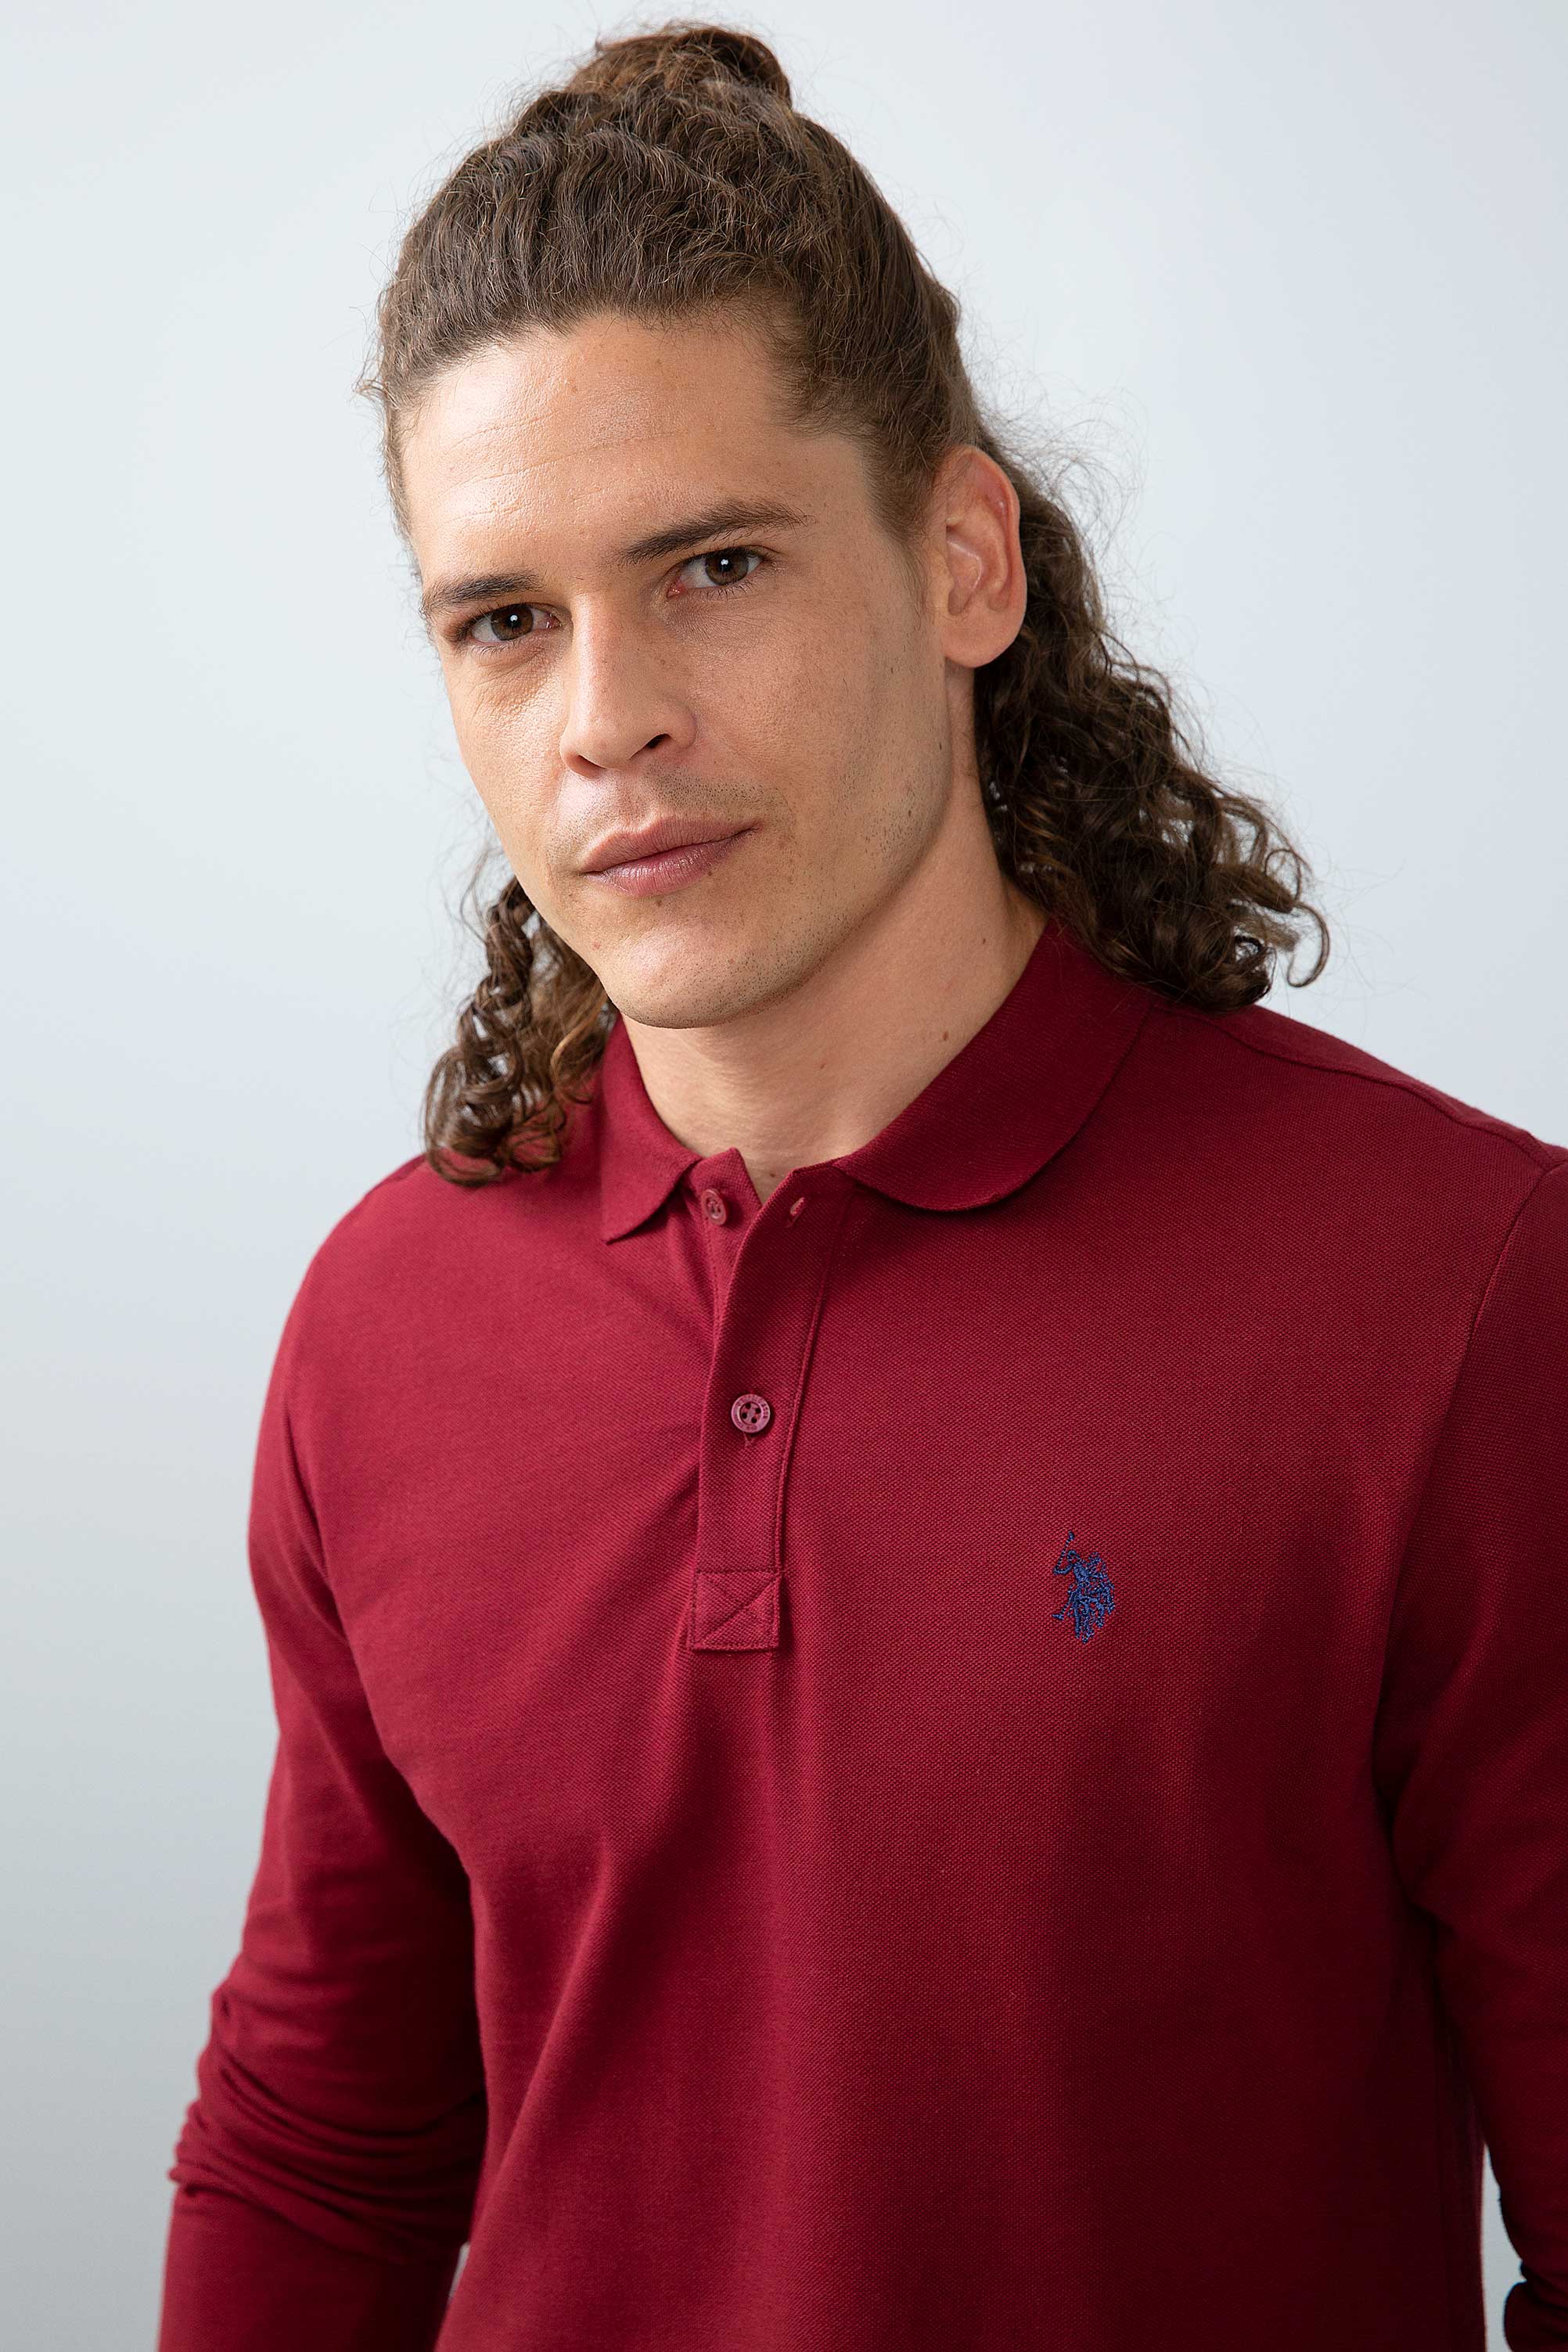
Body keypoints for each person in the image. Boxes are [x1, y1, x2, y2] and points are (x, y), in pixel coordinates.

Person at [156, 24, 1568, 2351]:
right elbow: (324, 2146)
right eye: (504, 620)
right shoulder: (383, 1326)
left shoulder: (1459, 1295)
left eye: (711, 565)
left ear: (962, 558)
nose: (604, 715)